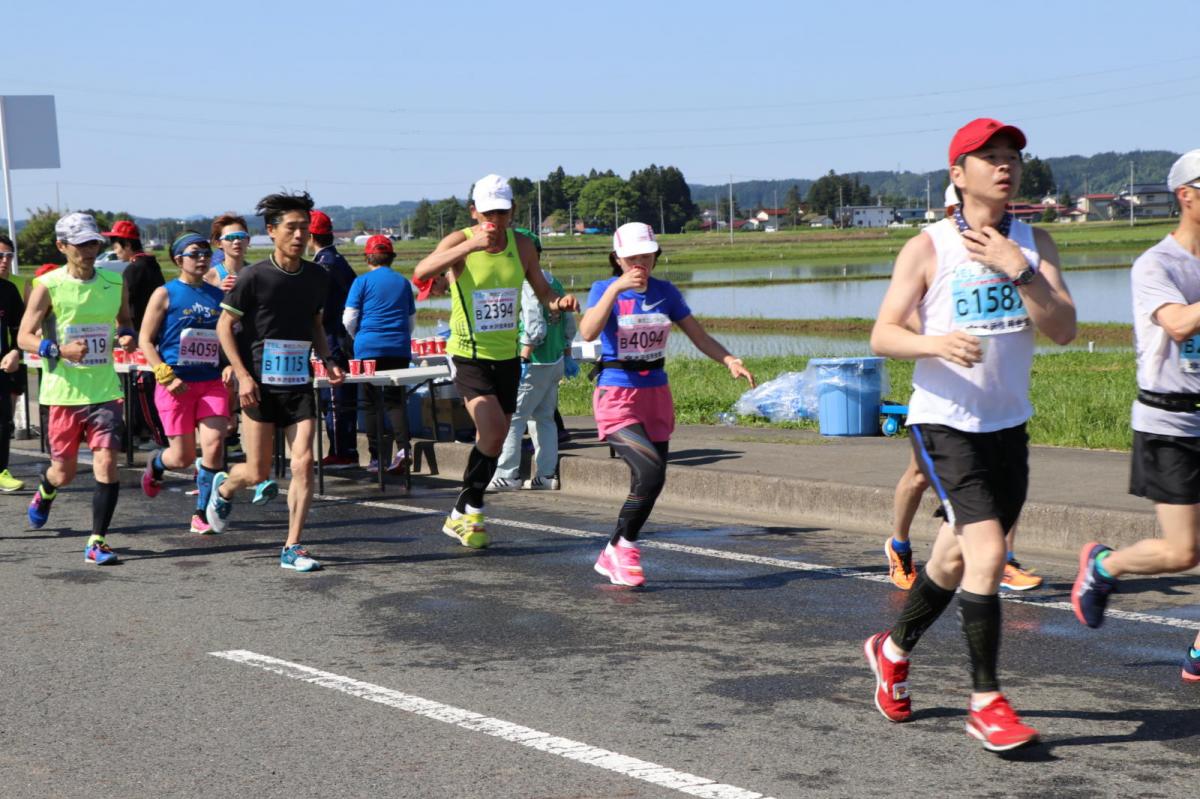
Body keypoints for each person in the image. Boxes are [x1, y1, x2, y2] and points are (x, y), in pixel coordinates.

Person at [862, 118, 1076, 752]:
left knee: (952, 558)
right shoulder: (927, 247)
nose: (1005, 165)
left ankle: (892, 650)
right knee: (987, 553)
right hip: (944, 422)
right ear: (958, 174)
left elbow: (1064, 329)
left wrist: (1020, 270)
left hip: (1007, 425)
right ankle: (986, 701)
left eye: (1012, 156)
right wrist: (935, 344)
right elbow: (883, 334)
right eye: (990, 157)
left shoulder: (1035, 242)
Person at [1072, 149, 1200, 682]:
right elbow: (1179, 324)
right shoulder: (1156, 264)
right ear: (1186, 196)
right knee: (1183, 552)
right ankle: (1105, 566)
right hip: (1170, 421)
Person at [579, 222, 754, 587]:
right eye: (632, 257)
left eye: (647, 255)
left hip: (656, 395)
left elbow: (698, 336)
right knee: (651, 472)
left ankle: (613, 550)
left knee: (649, 482)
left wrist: (729, 360)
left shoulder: (666, 292)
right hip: (617, 395)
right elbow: (588, 331)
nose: (640, 263)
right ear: (617, 259)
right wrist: (615, 288)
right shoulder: (603, 289)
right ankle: (625, 547)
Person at [413, 174, 580, 549]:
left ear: (512, 211)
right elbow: (422, 273)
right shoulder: (459, 240)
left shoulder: (522, 245)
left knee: (499, 436)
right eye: (488, 213)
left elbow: (543, 292)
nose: (495, 220)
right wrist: (469, 247)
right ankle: (471, 508)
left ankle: (461, 512)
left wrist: (560, 302)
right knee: (491, 431)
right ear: (474, 211)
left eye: (502, 212)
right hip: (469, 354)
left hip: (507, 356)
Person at [206, 191, 345, 572]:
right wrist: (243, 376)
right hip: (259, 386)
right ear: (271, 231)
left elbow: (315, 323)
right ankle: (225, 487)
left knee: (304, 463)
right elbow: (224, 326)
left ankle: (293, 546)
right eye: (291, 228)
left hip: (299, 383)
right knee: (257, 472)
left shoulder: (317, 276)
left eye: (305, 229)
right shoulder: (253, 277)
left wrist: (328, 359)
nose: (299, 235)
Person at [17, 212, 138, 564]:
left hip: (105, 390)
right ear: (62, 246)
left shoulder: (114, 282)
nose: (89, 250)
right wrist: (58, 350)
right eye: (81, 244)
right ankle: (46, 488)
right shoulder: (48, 285)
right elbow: (24, 337)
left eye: (93, 243)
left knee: (107, 464)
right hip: (63, 393)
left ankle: (97, 540)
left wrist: (127, 336)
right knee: (65, 473)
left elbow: (125, 321)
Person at [138, 232, 229, 534]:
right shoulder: (165, 293)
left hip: (210, 381)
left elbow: (226, 338)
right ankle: (157, 464)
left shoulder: (217, 296)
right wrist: (164, 374)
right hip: (176, 383)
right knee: (183, 457)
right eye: (194, 254)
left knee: (214, 446)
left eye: (206, 253)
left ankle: (201, 513)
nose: (202, 259)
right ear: (179, 260)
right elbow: (145, 340)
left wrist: (230, 365)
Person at [490, 228, 576, 491]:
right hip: (554, 360)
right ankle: (546, 475)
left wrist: (523, 357)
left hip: (533, 361)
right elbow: (568, 322)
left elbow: (533, 323)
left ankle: (507, 474)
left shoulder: (527, 283)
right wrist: (567, 353)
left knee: (514, 418)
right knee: (544, 419)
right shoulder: (553, 281)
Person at [205, 212, 278, 506]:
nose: (237, 243)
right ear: (219, 243)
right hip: (218, 356)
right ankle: (213, 479)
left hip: (249, 356)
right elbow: (201, 321)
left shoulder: (255, 273)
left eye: (242, 237)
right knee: (224, 426)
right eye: (230, 238)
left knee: (253, 416)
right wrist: (216, 294)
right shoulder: (211, 276)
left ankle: (256, 476)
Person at [342, 234, 414, 478]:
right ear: (391, 257)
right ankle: (404, 450)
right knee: (396, 400)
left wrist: (360, 338)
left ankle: (376, 458)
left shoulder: (361, 282)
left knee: (371, 403)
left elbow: (349, 318)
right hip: (399, 347)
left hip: (368, 349)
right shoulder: (403, 282)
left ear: (368, 257)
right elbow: (411, 321)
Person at [104, 219, 166, 449]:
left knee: (139, 385)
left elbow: (122, 304)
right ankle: (144, 431)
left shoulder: (133, 269)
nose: (115, 250)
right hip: (156, 333)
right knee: (147, 384)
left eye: (116, 245)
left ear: (127, 245)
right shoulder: (152, 265)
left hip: (138, 334)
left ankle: (148, 433)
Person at [309, 209, 359, 468]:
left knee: (335, 398)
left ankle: (342, 451)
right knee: (344, 397)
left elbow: (321, 309)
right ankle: (346, 449)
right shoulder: (338, 260)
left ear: (311, 236)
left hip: (332, 338)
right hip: (345, 337)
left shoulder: (323, 265)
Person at [0, 234, 26, 491]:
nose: (5, 261)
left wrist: (16, 352)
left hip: (2, 366)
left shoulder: (9, 291)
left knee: (3, 420)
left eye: (9, 256)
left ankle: (1, 471)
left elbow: (21, 331)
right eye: (0, 256)